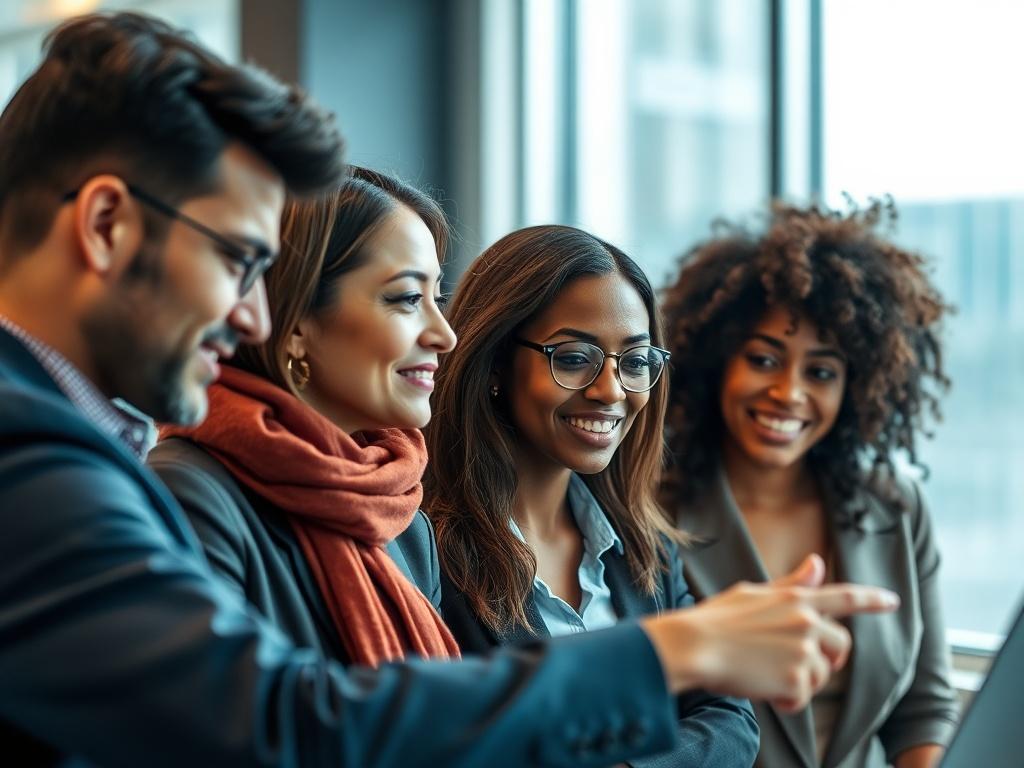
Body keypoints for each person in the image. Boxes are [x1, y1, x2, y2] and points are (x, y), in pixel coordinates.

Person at [0, 12, 900, 766]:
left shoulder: (388, 516)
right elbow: (282, 722)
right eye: (238, 261)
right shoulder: (48, 457)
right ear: (108, 224)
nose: (248, 317)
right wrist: (675, 651)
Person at [425, 224, 759, 766]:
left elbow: (731, 718)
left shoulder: (641, 544)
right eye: (575, 357)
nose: (611, 391)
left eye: (634, 362)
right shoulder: (422, 547)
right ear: (494, 363)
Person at [660, 201, 960, 768]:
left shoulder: (894, 504)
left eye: (820, 372)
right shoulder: (650, 508)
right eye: (764, 359)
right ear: (717, 360)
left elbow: (923, 707)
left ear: (856, 387)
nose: (789, 393)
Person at [148, 167, 461, 666]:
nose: (445, 335)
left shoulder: (402, 519)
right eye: (406, 299)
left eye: (436, 299)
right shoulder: (188, 493)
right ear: (295, 323)